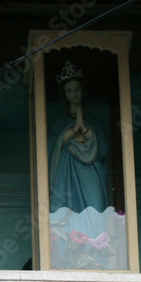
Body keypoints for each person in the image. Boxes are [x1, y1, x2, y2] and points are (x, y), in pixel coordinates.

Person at [48, 61, 109, 214]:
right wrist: (73, 130)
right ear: (65, 95)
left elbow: (103, 150)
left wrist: (87, 130)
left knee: (96, 205)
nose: (74, 94)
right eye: (69, 91)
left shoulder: (93, 122)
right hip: (67, 171)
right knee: (67, 209)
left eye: (77, 89)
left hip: (90, 171)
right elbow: (50, 150)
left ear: (82, 91)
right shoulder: (60, 122)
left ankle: (96, 237)